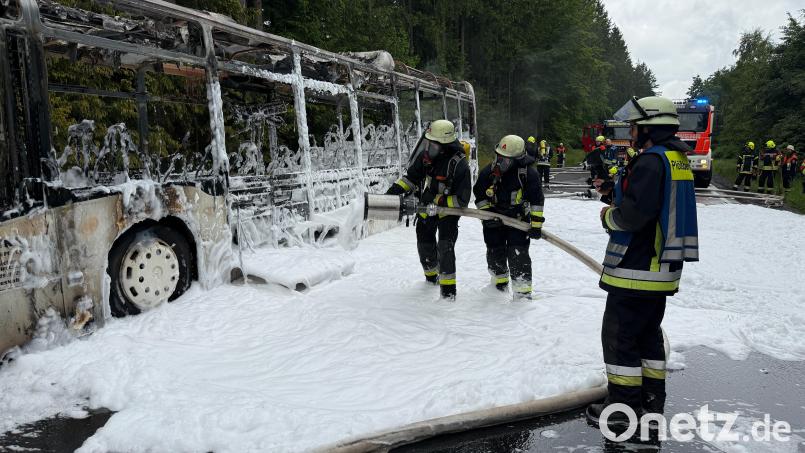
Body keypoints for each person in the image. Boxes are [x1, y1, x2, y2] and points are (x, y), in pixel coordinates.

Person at [586, 96, 699, 427]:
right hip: (661, 268)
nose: (632, 132)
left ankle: (622, 410)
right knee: (648, 337)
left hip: (637, 267)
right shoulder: (674, 158)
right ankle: (651, 401)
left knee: (620, 337)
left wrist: (608, 215)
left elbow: (634, 217)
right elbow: (652, 202)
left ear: (651, 127)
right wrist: (612, 191)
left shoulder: (650, 162)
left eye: (636, 127)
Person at [386, 119, 471, 299]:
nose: (428, 147)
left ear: (445, 146)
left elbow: (462, 201)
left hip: (448, 212)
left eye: (433, 144)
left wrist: (438, 200)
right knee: (424, 242)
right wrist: (393, 192)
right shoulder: (427, 157)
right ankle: (431, 279)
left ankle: (448, 294)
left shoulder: (459, 164)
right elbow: (411, 178)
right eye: (428, 143)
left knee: (445, 247)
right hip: (427, 207)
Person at [473, 135, 544, 299]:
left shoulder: (528, 174)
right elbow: (479, 195)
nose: (500, 162)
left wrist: (536, 225)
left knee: (518, 254)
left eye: (505, 159)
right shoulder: (490, 171)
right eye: (499, 157)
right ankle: (498, 286)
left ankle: (523, 295)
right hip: (494, 219)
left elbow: (537, 201)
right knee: (494, 251)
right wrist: (486, 216)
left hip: (518, 220)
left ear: (518, 159)